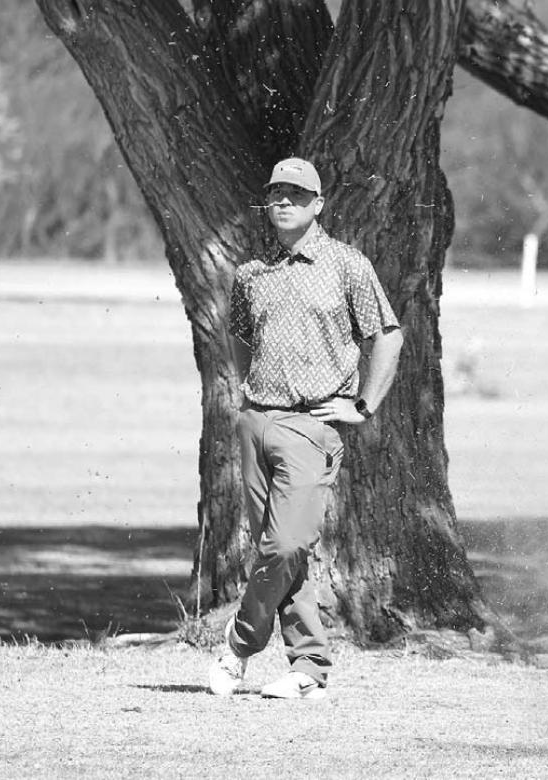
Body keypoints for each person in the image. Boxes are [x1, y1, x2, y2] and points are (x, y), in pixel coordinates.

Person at [208, 157, 404, 700]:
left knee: (287, 543)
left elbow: (387, 336)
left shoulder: (347, 265)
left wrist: (363, 406)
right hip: (255, 421)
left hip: (312, 424)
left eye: (297, 193)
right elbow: (240, 339)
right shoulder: (252, 273)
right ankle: (308, 670)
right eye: (276, 193)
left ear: (318, 204)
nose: (285, 201)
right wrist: (253, 393)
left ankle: (240, 641)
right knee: (280, 552)